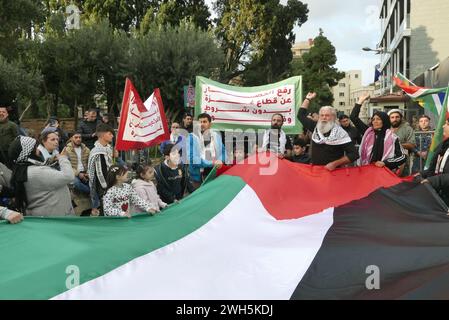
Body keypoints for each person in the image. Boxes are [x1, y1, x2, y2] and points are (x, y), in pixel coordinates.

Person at [8, 136, 75, 216]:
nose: (38, 149)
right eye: (35, 147)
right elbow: (68, 176)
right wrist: (63, 158)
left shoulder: (23, 170)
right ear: (29, 152)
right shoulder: (36, 172)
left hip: (44, 215)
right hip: (54, 218)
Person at [297, 92, 359, 171]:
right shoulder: (315, 128)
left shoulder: (341, 133)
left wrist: (335, 164)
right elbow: (300, 115)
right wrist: (308, 99)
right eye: (322, 115)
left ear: (333, 117)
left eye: (327, 115)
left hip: (334, 172)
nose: (324, 118)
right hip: (316, 171)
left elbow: (354, 154)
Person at [350, 94, 407, 171]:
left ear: (384, 121)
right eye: (373, 119)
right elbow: (353, 117)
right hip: (367, 170)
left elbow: (402, 157)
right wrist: (360, 101)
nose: (375, 121)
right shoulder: (368, 132)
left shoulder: (392, 137)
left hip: (384, 173)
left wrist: (385, 162)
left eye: (378, 119)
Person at [186, 113, 225, 189]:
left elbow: (223, 152)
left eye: (204, 122)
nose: (202, 124)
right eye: (200, 122)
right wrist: (212, 163)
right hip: (198, 177)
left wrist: (220, 160)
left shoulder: (216, 136)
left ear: (210, 124)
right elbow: (193, 159)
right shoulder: (191, 137)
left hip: (214, 173)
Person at [87, 124, 117, 216]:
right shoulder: (98, 152)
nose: (112, 136)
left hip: (109, 183)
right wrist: (106, 188)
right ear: (103, 135)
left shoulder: (107, 148)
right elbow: (101, 173)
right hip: (104, 187)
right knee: (106, 211)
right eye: (110, 134)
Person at [418, 118, 449, 205]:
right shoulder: (445, 144)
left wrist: (433, 181)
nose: (443, 126)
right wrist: (423, 173)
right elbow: (439, 168)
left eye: (447, 124)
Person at [388, 109, 416, 175]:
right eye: (392, 117)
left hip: (402, 161)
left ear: (401, 118)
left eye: (397, 117)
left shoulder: (407, 129)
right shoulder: (386, 129)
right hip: (387, 160)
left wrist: (396, 145)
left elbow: (412, 144)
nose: (395, 119)